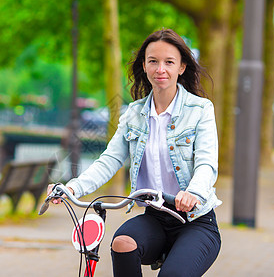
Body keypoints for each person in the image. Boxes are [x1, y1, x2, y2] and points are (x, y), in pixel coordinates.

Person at [48, 28, 221, 277]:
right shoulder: (133, 114)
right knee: (122, 244)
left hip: (195, 222)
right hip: (155, 216)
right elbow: (109, 160)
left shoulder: (200, 109)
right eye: (153, 61)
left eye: (169, 62)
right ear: (145, 65)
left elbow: (206, 163)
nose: (161, 69)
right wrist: (72, 188)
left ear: (181, 67)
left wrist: (193, 192)